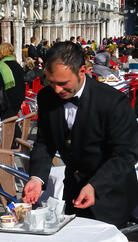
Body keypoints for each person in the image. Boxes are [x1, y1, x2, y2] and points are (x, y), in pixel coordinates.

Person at [22, 41, 138, 228]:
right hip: (73, 194)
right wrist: (37, 178)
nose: (57, 90)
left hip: (111, 197)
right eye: (51, 83)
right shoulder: (46, 97)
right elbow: (45, 142)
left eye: (63, 83)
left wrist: (95, 186)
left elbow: (126, 155)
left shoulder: (113, 102)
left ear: (82, 71)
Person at [0, 43, 26, 120]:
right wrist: (22, 99)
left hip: (6, 100)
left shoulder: (0, 66)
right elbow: (22, 83)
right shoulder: (17, 65)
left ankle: (19, 133)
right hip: (18, 98)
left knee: (7, 123)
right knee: (12, 121)